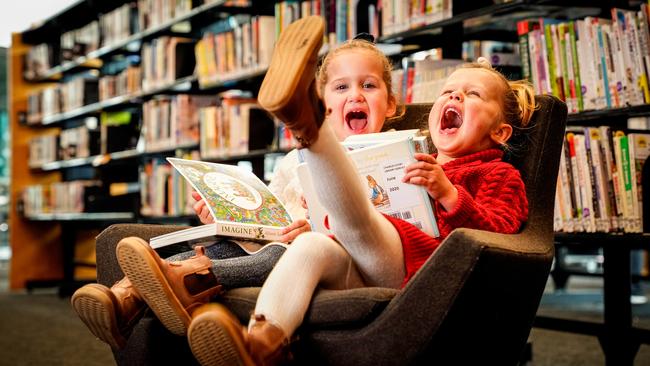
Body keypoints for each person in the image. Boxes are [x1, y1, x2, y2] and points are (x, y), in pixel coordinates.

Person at [173, 15, 534, 365]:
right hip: (359, 260)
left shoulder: (498, 174)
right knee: (312, 245)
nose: (455, 99)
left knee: (358, 214)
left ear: (500, 133)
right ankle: (262, 345)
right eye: (448, 92)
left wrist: (449, 195)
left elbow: (499, 235)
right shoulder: (417, 155)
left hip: (415, 268)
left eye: (472, 95)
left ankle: (308, 124)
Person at [70, 26, 400, 350]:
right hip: (275, 242)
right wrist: (227, 215)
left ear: (391, 104)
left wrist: (311, 228)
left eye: (368, 85)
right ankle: (126, 299)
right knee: (219, 244)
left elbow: (390, 230)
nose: (356, 94)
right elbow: (268, 212)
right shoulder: (292, 162)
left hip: (325, 258)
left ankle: (183, 280)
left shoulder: (396, 155)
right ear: (325, 104)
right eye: (341, 87)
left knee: (278, 253)